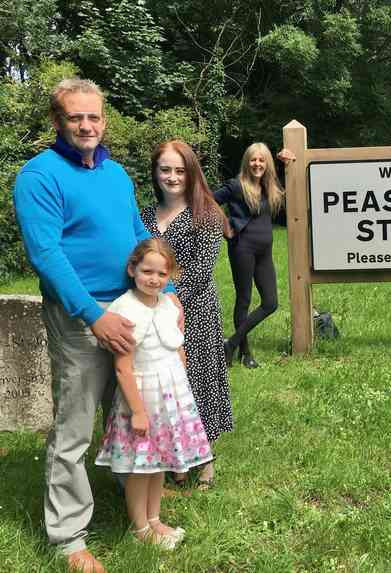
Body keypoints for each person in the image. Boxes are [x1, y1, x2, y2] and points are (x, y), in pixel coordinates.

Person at [13, 78, 180, 573]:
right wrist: (94, 314)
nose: (86, 125)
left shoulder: (115, 173)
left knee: (132, 413)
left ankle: (140, 517)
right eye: (74, 117)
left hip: (135, 307)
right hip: (81, 316)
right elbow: (46, 253)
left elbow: (136, 234)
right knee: (75, 427)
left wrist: (165, 296)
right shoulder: (39, 176)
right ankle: (69, 538)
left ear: (104, 120)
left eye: (94, 117)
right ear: (57, 121)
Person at [94, 238, 212, 549]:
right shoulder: (125, 310)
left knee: (160, 462)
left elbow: (177, 348)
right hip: (143, 398)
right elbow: (123, 368)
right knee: (140, 467)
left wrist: (182, 389)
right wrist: (138, 410)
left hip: (170, 397)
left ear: (170, 275)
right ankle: (139, 528)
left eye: (162, 274)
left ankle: (155, 519)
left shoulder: (168, 305)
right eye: (148, 271)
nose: (154, 279)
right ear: (132, 269)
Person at [140, 139, 233, 487]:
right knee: (164, 388)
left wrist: (165, 295)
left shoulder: (207, 214)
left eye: (180, 170)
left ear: (192, 173)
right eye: (165, 169)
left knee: (197, 383)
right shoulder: (144, 215)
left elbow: (200, 270)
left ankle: (205, 461)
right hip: (150, 314)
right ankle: (175, 459)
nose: (172, 176)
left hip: (195, 312)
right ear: (155, 172)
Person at [215, 142, 293, 368]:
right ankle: (245, 353)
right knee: (244, 299)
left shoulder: (270, 186)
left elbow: (293, 190)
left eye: (262, 160)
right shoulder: (236, 186)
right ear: (246, 162)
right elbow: (208, 200)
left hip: (264, 252)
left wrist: (289, 164)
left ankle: (230, 344)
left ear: (266, 163)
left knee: (270, 303)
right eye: (253, 159)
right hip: (242, 248)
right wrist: (225, 225)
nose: (257, 164)